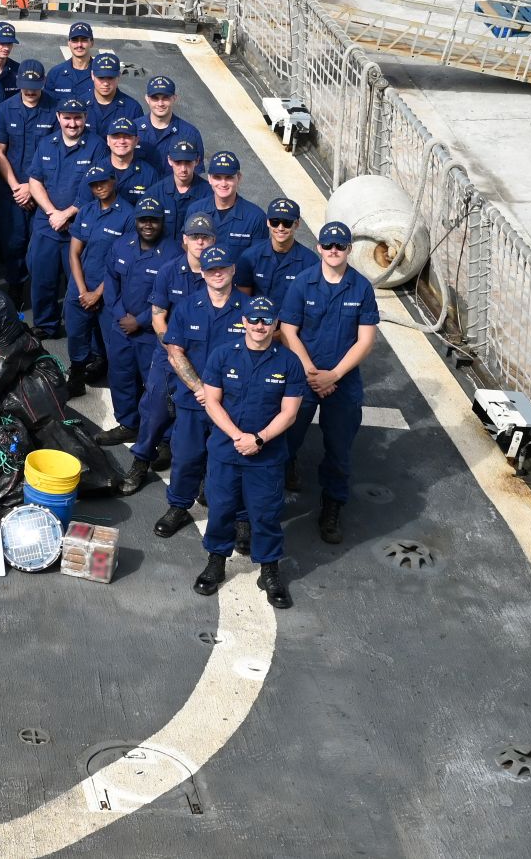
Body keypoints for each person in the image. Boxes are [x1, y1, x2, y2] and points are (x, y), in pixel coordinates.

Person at [193, 296, 305, 608]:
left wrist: (259, 439)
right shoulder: (222, 355)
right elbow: (212, 401)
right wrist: (238, 436)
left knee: (266, 514)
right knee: (221, 508)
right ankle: (216, 562)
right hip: (226, 451)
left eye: (266, 320)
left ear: (275, 324)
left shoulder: (289, 363)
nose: (259, 325)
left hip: (266, 456)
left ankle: (269, 570)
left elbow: (290, 413)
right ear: (243, 321)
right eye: (253, 319)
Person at [279, 220, 381, 543]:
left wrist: (334, 375)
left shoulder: (361, 288)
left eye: (340, 246)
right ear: (319, 248)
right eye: (328, 245)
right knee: (286, 438)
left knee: (339, 450)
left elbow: (365, 341)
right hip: (304, 377)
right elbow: (288, 330)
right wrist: (311, 372)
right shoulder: (302, 283)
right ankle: (273, 494)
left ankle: (332, 505)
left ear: (349, 249)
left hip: (342, 381)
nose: (334, 250)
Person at [154, 245, 251, 542]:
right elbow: (175, 352)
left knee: (235, 462)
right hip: (193, 401)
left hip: (234, 403)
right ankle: (179, 506)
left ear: (233, 270)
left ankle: (241, 518)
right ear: (204, 274)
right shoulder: (187, 307)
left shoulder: (250, 309)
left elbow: (259, 355)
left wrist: (218, 394)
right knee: (186, 457)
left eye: (222, 268)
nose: (217, 273)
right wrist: (201, 389)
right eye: (211, 269)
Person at [119, 213, 219, 495]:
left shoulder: (219, 273)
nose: (200, 242)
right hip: (169, 355)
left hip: (206, 358)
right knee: (155, 411)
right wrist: (174, 349)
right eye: (195, 236)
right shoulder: (169, 271)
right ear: (185, 239)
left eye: (206, 237)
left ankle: (205, 477)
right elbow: (158, 317)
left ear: (213, 241)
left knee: (207, 419)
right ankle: (141, 461)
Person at [24, 98, 106, 338]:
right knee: (42, 277)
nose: (72, 123)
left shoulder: (97, 146)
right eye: (67, 118)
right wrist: (52, 212)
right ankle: (45, 325)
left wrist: (67, 213)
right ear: (58, 117)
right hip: (47, 223)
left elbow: (98, 187)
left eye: (77, 117)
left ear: (85, 118)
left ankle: (80, 330)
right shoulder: (47, 144)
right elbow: (35, 181)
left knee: (79, 281)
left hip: (79, 227)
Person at [99, 196, 172, 445]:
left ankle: (161, 437)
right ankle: (128, 424)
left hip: (152, 333)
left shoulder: (173, 254)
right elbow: (110, 282)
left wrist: (140, 321)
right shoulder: (121, 245)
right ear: (136, 221)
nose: (148, 225)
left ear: (162, 221)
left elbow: (172, 297)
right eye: (143, 220)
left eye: (153, 220)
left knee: (156, 387)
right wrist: (121, 316)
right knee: (120, 377)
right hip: (121, 328)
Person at [65, 165, 134, 397]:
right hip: (81, 286)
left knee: (114, 342)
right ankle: (76, 378)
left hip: (110, 290)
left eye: (103, 182)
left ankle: (120, 389)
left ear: (113, 181)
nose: (99, 187)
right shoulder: (86, 211)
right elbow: (74, 253)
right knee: (76, 334)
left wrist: (98, 293)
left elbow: (125, 261)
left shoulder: (128, 215)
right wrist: (83, 290)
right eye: (94, 185)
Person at [0, 60, 56, 290]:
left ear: (44, 82)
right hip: (12, 193)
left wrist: (31, 187)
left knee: (40, 249)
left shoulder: (55, 110)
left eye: (35, 86)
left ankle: (38, 293)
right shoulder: (5, 109)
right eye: (26, 86)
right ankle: (15, 292)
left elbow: (57, 154)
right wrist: (17, 186)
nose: (30, 91)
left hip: (44, 193)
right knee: (13, 244)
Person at [187, 151, 264, 274]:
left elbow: (258, 261)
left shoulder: (255, 217)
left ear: (239, 177)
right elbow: (187, 247)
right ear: (209, 179)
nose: (223, 184)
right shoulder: (195, 210)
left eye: (229, 177)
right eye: (217, 177)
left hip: (238, 282)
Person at [244, 197, 315, 307]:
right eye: (275, 222)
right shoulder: (250, 257)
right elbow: (243, 300)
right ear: (268, 222)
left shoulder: (310, 262)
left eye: (287, 223)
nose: (280, 228)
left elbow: (311, 302)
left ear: (296, 224)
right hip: (258, 317)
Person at [138, 75, 203, 170]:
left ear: (174, 98)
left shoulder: (190, 134)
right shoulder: (133, 130)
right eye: (155, 98)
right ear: (147, 99)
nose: (160, 104)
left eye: (165, 98)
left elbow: (195, 172)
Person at [101, 116, 164, 203]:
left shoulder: (149, 174)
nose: (122, 141)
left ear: (136, 141)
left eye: (127, 136)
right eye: (116, 136)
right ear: (108, 140)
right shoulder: (97, 171)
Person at [159, 138, 208, 237]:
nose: (183, 169)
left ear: (197, 161)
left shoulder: (209, 194)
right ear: (169, 160)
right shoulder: (155, 193)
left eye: (188, 162)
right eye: (178, 162)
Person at [45, 21, 96, 109]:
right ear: (69, 43)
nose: (79, 45)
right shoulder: (55, 73)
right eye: (75, 40)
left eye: (84, 40)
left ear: (91, 43)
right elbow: (47, 107)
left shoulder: (101, 74)